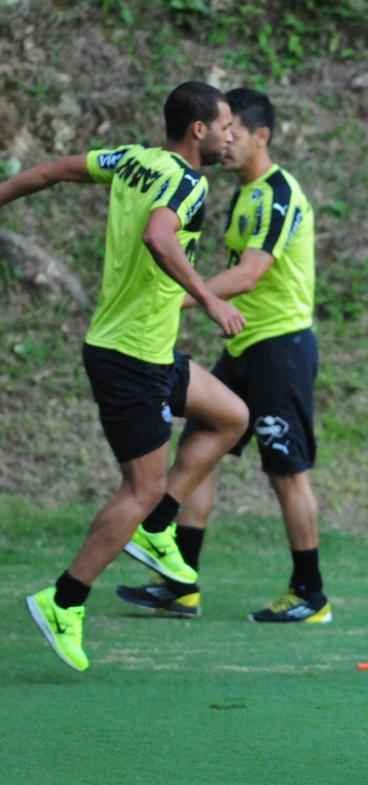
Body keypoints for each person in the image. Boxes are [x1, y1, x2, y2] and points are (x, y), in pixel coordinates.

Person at [2, 81, 250, 671]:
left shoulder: (132, 159)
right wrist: (211, 300)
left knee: (232, 416)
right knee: (138, 487)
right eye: (224, 125)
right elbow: (158, 236)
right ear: (198, 130)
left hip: (149, 352)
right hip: (130, 359)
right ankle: (64, 600)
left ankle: (157, 527)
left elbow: (53, 171)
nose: (230, 135)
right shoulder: (188, 184)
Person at [115, 88, 328, 623]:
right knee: (203, 445)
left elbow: (251, 273)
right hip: (245, 344)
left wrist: (183, 297)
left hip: (280, 347)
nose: (225, 141)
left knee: (286, 470)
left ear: (262, 136)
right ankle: (180, 582)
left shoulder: (278, 194)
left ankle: (311, 593)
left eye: (236, 133)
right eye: (222, 131)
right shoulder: (243, 192)